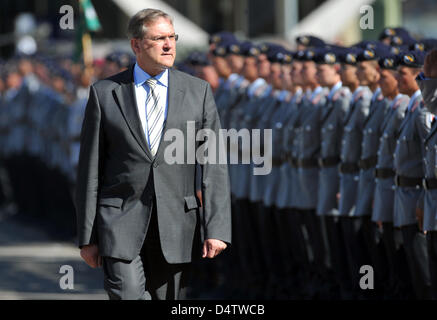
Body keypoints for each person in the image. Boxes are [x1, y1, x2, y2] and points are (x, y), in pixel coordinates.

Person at [75, 8, 232, 300]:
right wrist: (87, 236)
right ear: (137, 45)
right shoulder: (106, 93)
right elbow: (90, 169)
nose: (169, 45)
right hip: (119, 221)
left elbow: (214, 165)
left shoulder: (197, 92)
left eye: (172, 37)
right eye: (159, 38)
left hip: (176, 224)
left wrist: (217, 227)